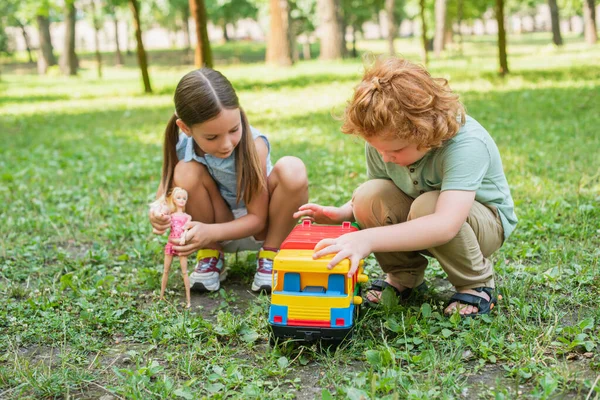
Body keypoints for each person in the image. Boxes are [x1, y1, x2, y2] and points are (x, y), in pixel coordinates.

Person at [294, 57, 517, 317]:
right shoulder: (385, 141)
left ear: (424, 131)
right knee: (368, 195)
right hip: (421, 213)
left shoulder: (466, 144)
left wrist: (365, 239)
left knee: (428, 207)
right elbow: (383, 189)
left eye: (396, 150)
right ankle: (404, 277)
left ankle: (476, 284)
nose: (386, 157)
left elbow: (445, 223)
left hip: (482, 224)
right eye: (379, 149)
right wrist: (345, 212)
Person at [150, 68, 308, 293]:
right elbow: (166, 194)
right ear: (185, 128)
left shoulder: (254, 145)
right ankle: (211, 256)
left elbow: (258, 220)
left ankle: (271, 256)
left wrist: (210, 231)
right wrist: (160, 211)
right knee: (184, 171)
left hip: (264, 227)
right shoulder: (182, 145)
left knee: (293, 168)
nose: (226, 144)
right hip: (213, 225)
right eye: (212, 137)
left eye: (234, 129)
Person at [152, 187, 192, 308]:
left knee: (185, 272)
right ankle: (161, 295)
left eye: (184, 198)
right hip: (171, 244)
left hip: (181, 245)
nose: (182, 200)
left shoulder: (187, 217)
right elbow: (164, 224)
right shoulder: (172, 216)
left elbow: (186, 228)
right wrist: (161, 215)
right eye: (179, 198)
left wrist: (184, 237)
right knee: (165, 270)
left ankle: (188, 300)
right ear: (174, 200)